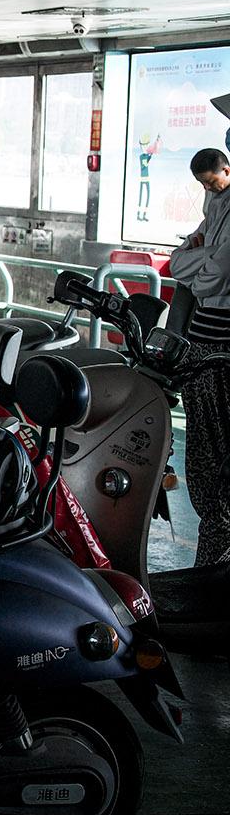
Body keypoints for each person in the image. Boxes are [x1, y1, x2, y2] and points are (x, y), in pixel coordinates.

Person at [172, 148, 230, 564]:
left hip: (217, 349)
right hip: (201, 342)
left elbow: (213, 277)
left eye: (211, 181)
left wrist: (196, 262)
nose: (207, 190)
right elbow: (184, 263)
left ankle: (213, 557)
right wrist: (197, 258)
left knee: (213, 455)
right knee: (203, 450)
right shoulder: (217, 204)